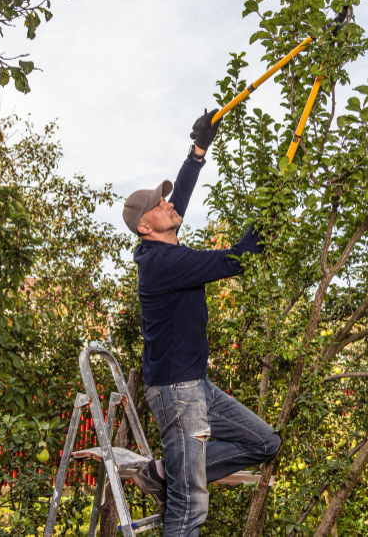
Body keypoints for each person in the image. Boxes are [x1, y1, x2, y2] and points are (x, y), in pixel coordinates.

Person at [121, 109, 281, 536]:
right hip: (178, 393)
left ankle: (163, 470)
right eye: (159, 205)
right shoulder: (162, 262)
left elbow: (181, 199)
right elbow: (235, 261)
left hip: (196, 386)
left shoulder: (163, 247)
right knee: (189, 508)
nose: (169, 205)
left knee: (265, 443)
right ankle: (174, 473)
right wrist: (269, 214)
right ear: (144, 226)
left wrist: (197, 151)